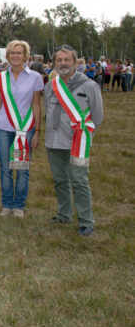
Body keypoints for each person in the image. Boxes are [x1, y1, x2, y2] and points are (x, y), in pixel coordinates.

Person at [45, 45, 103, 236]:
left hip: (78, 142)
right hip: (54, 141)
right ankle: (64, 214)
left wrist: (86, 135)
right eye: (59, 60)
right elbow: (48, 111)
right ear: (54, 63)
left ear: (75, 62)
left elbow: (97, 115)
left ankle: (86, 221)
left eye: (66, 60)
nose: (62, 63)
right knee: (60, 180)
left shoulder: (89, 85)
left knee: (79, 181)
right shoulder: (50, 86)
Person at [0, 40, 43, 218]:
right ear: (8, 55)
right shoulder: (1, 77)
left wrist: (37, 130)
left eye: (19, 53)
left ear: (25, 55)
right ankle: (6, 204)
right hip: (3, 127)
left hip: (25, 129)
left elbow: (36, 104)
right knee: (5, 168)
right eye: (12, 52)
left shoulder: (35, 77)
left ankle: (19, 205)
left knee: (22, 168)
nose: (15, 56)